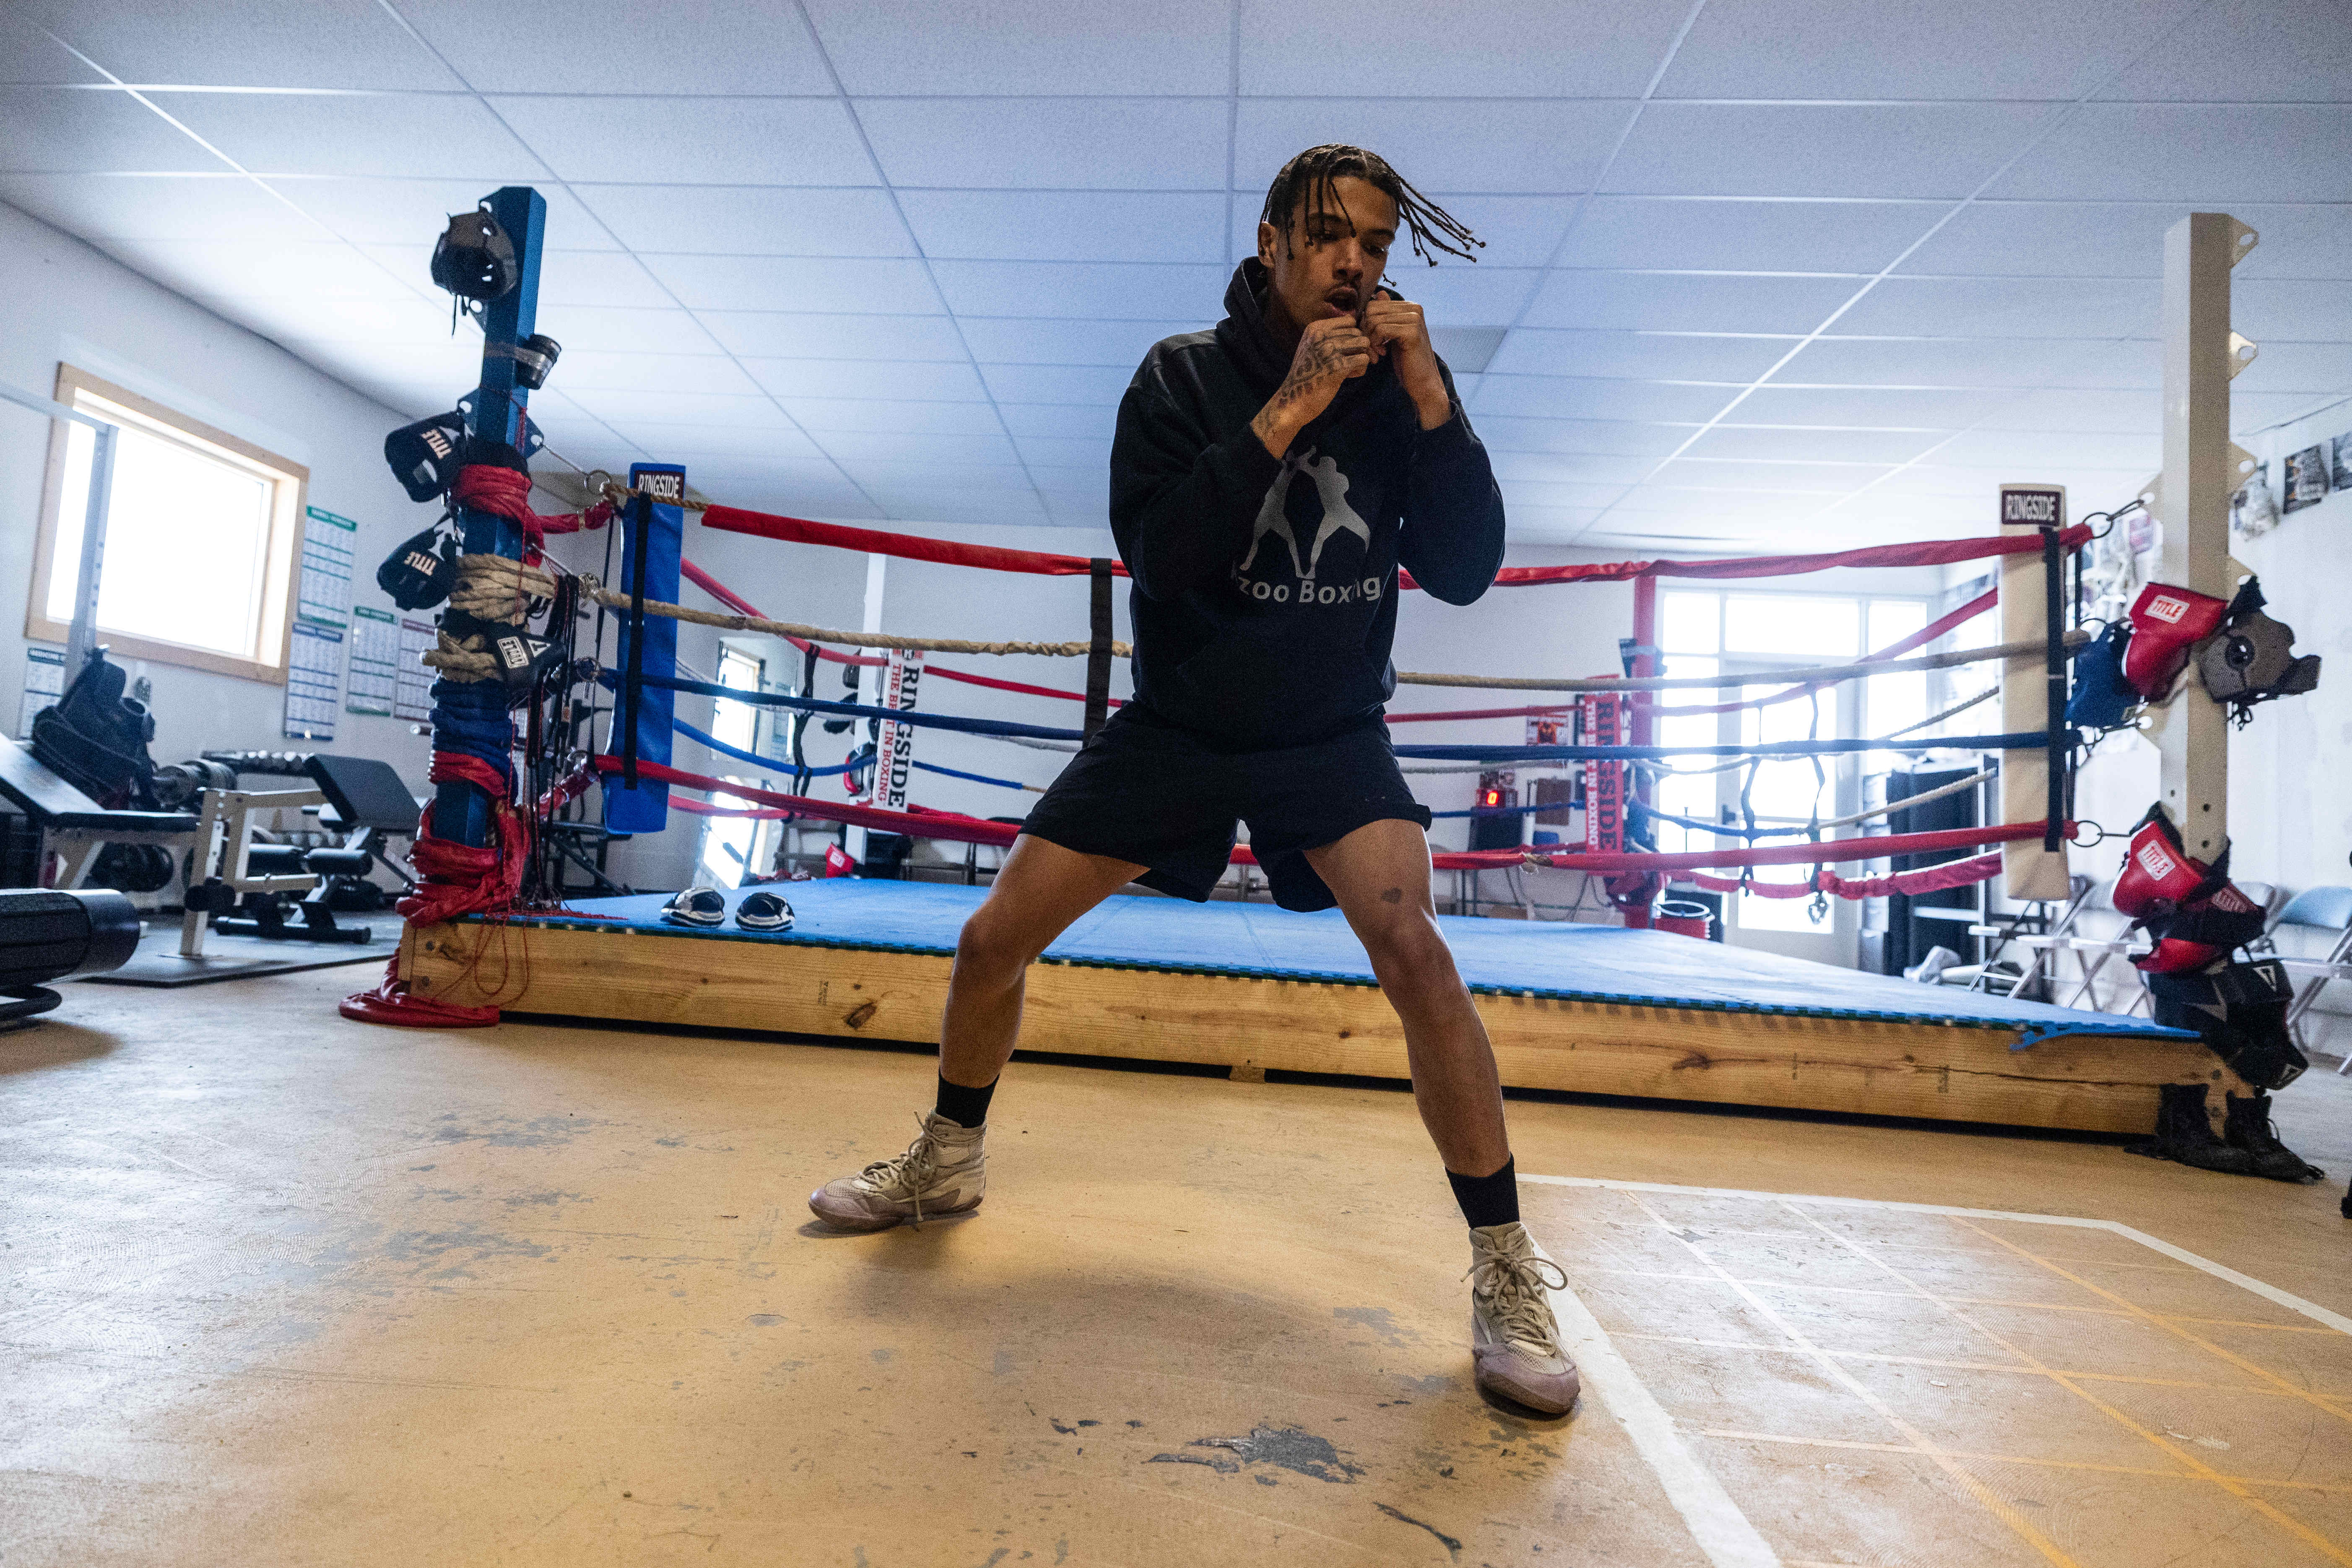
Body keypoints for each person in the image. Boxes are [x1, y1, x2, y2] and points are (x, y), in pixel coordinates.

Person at [809, 144, 1579, 1417]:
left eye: (1375, 245)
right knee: (990, 939)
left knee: (1415, 949)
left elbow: (1463, 568)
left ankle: (1504, 1266)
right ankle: (947, 1157)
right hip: (1178, 721)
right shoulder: (1179, 376)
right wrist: (1283, 408)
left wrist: (1433, 396)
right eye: (1330, 234)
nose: (1353, 262)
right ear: (1272, 239)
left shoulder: (1402, 397)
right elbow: (1164, 559)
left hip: (1327, 730)